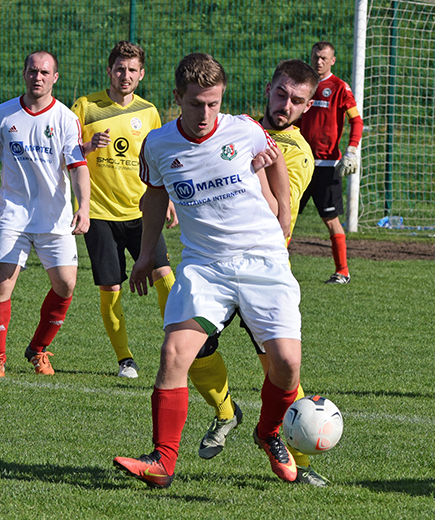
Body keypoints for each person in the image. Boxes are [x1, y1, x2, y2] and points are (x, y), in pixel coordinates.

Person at [113, 53, 302, 489]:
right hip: (204, 266)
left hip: (262, 259)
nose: (205, 114)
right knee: (174, 353)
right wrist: (145, 255)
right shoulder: (158, 144)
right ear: (177, 97)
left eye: (213, 104)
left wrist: (285, 215)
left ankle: (268, 432)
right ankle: (162, 462)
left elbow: (273, 159)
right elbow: (156, 197)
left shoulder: (245, 130)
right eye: (196, 103)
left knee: (287, 365)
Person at [187, 60, 328, 486]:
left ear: (307, 107)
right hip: (214, 265)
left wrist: (255, 174)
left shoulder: (295, 153)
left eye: (297, 101)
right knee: (190, 349)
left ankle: (299, 464)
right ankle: (226, 413)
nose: (286, 105)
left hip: (261, 271)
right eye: (281, 94)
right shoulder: (238, 128)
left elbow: (275, 216)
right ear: (268, 89)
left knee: (282, 371)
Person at [0, 51, 90, 378]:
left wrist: (85, 207)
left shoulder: (66, 118)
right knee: (2, 285)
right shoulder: (3, 114)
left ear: (55, 77)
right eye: (33, 71)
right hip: (14, 215)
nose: (38, 77)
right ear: (24, 73)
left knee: (66, 285)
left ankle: (38, 349)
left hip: (55, 218)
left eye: (45, 72)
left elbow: (78, 167)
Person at [71, 41, 176, 379]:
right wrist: (88, 146)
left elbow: (158, 159)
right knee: (111, 288)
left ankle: (183, 344)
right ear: (109, 70)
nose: (125, 76)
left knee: (165, 276)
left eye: (132, 70)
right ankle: (125, 360)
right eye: (120, 69)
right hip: (99, 213)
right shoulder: (85, 107)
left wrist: (168, 197)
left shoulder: (149, 112)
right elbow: (66, 153)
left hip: (141, 212)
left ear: (142, 74)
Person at [298, 41, 363, 284]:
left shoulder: (339, 87)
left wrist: (352, 149)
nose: (319, 61)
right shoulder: (303, 86)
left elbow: (357, 121)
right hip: (299, 163)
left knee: (331, 218)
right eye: (316, 56)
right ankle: (276, 269)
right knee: (285, 216)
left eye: (324, 57)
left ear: (333, 60)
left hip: (326, 166)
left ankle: (342, 271)